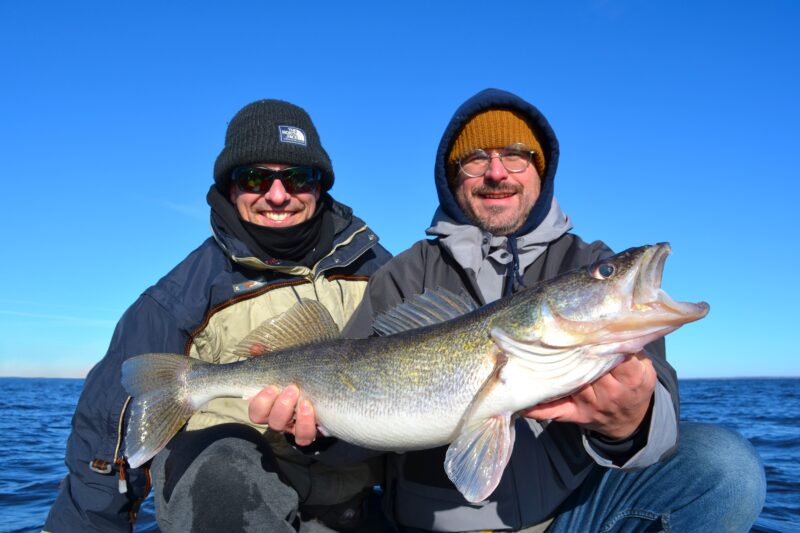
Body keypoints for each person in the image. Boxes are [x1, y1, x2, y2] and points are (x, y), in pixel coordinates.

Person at [251, 88, 766, 532]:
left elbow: (661, 426)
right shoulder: (405, 274)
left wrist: (631, 423)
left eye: (516, 155)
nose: (496, 172)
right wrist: (312, 435)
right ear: (452, 178)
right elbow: (357, 438)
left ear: (541, 172)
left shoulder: (588, 262)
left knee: (726, 466)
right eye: (475, 159)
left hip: (572, 517)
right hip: (429, 524)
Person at [44, 99, 391, 532]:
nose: (278, 195)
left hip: (359, 498)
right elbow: (107, 432)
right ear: (230, 187)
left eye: (298, 178)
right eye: (254, 178)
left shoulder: (382, 271)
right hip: (236, 502)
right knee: (222, 468)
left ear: (320, 186)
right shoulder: (180, 296)